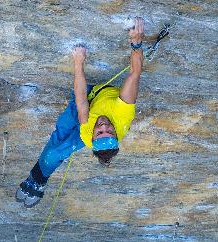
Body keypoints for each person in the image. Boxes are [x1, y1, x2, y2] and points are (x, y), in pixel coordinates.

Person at [16, 17, 145, 208]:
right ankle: (38, 179)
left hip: (87, 105)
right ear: (116, 132)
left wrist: (78, 63)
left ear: (93, 136)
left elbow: (80, 100)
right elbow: (135, 72)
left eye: (100, 132)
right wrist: (137, 42)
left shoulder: (87, 136)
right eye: (109, 131)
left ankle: (37, 178)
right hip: (97, 96)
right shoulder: (122, 111)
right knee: (56, 147)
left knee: (58, 143)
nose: (103, 126)